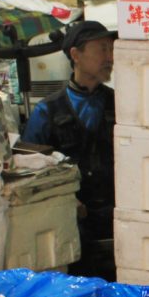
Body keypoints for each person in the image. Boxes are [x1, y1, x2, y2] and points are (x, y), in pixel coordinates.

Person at [21, 20, 117, 279]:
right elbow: (28, 170)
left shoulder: (120, 104)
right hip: (71, 228)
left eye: (111, 50)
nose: (109, 58)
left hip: (117, 221)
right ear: (76, 55)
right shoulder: (47, 112)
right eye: (101, 49)